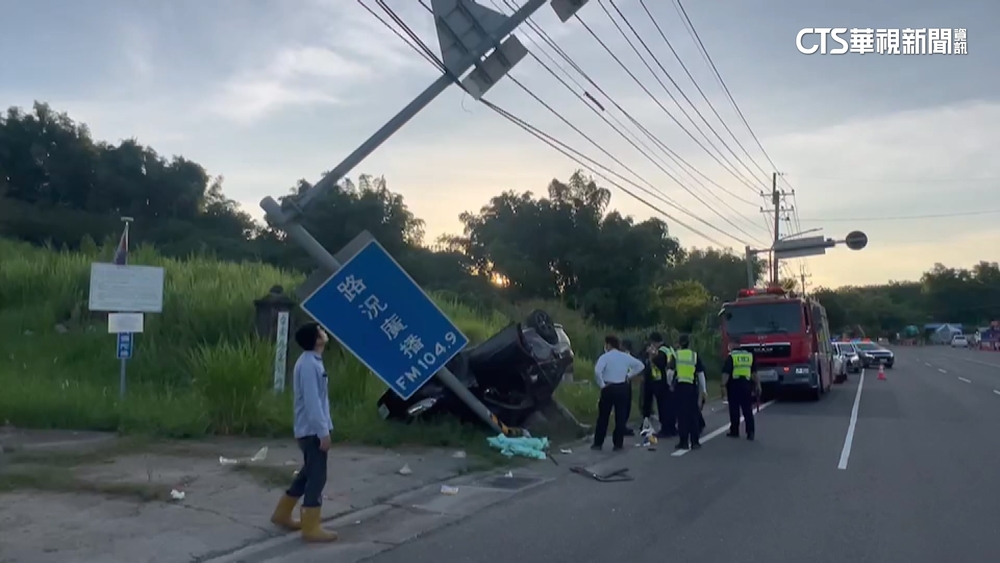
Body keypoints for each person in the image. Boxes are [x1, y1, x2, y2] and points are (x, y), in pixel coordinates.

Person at [270, 322, 338, 543]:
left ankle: (282, 514)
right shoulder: (310, 365)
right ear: (317, 339)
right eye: (321, 330)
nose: (325, 333)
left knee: (307, 474)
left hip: (309, 429)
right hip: (311, 431)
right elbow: (312, 402)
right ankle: (310, 526)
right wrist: (323, 432)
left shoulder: (312, 361)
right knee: (317, 477)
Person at [592, 335, 646, 451]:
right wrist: (629, 375)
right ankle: (618, 444)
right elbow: (640, 365)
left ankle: (598, 443)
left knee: (603, 416)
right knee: (620, 416)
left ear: (608, 345)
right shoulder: (625, 357)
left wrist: (602, 385)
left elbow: (597, 371)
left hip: (609, 387)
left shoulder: (605, 357)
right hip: (622, 387)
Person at [666, 333, 708, 450]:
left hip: (679, 387)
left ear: (679, 343)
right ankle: (695, 442)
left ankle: (683, 442)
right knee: (693, 414)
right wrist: (703, 390)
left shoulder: (676, 355)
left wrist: (670, 385)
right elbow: (700, 375)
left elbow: (669, 373)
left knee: (682, 416)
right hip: (691, 387)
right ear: (689, 343)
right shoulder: (694, 356)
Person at [721, 340, 760, 441]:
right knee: (747, 409)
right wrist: (757, 386)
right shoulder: (749, 356)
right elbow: (754, 373)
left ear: (734, 345)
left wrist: (723, 385)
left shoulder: (732, 357)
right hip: (746, 385)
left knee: (734, 409)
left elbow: (726, 373)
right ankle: (750, 432)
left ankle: (735, 430)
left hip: (734, 385)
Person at [645, 332, 677, 438]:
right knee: (671, 406)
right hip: (670, 381)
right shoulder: (669, 348)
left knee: (663, 407)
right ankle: (672, 428)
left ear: (655, 342)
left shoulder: (662, 351)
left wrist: (652, 356)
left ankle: (666, 429)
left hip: (662, 382)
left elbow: (660, 363)